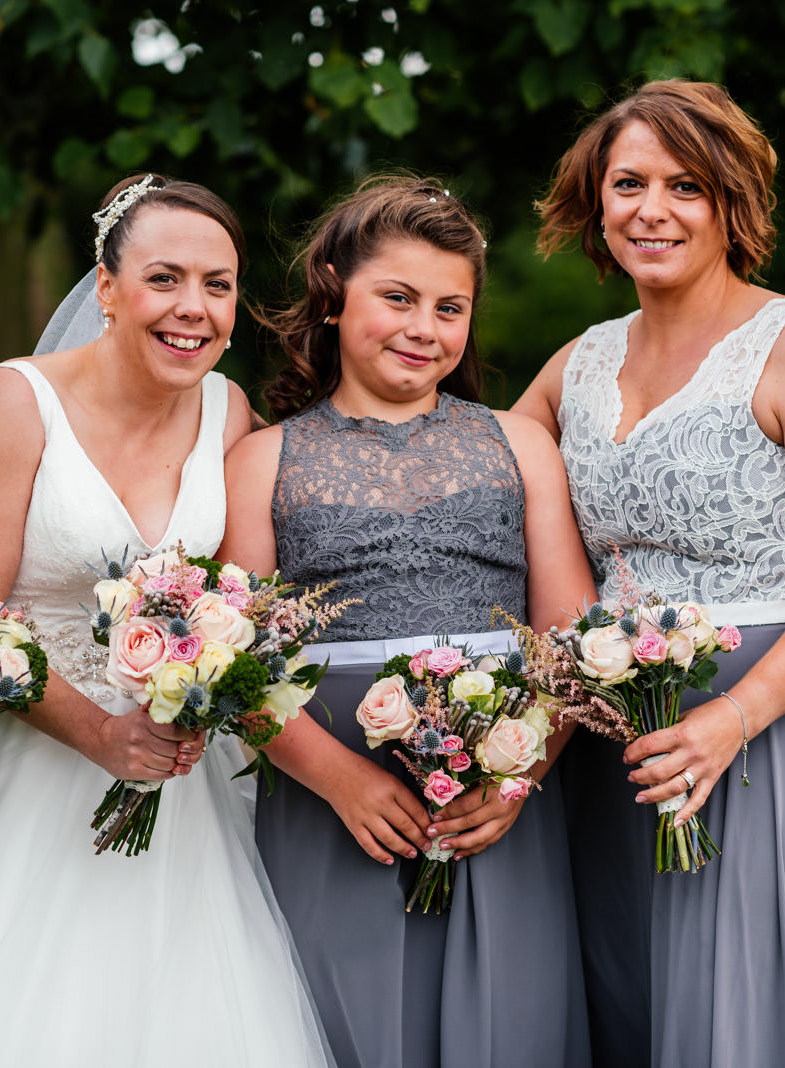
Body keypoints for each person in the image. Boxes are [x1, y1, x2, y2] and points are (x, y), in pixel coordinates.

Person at [0, 174, 336, 1067]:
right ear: (106, 287)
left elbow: (235, 605)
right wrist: (101, 732)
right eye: (165, 279)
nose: (195, 309)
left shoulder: (229, 414)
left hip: (177, 794)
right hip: (21, 771)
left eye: (218, 285)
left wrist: (200, 687)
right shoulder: (17, 402)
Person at [514, 79, 785, 1067]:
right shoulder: (577, 362)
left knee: (752, 1017)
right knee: (629, 994)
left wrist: (731, 718)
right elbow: (505, 455)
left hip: (767, 730)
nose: (650, 210)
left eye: (684, 185)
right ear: (595, 199)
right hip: (618, 738)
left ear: (730, 202)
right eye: (627, 182)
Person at [221, 174, 595, 1068]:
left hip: (499, 782)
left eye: (450, 307)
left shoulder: (519, 443)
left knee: (508, 1017)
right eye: (398, 297)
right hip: (328, 782)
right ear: (333, 294)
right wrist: (340, 779)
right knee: (339, 1013)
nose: (424, 328)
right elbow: (235, 660)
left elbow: (571, 634)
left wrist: (515, 773)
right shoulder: (264, 459)